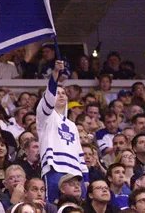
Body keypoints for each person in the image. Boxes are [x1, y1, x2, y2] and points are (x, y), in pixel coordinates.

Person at [36, 60, 88, 203]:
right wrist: (55, 75)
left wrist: (86, 177)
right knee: (54, 206)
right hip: (54, 168)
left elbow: (79, 153)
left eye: (63, 93)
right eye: (57, 93)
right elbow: (49, 97)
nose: (61, 95)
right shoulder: (45, 117)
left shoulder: (72, 125)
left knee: (79, 207)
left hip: (76, 172)